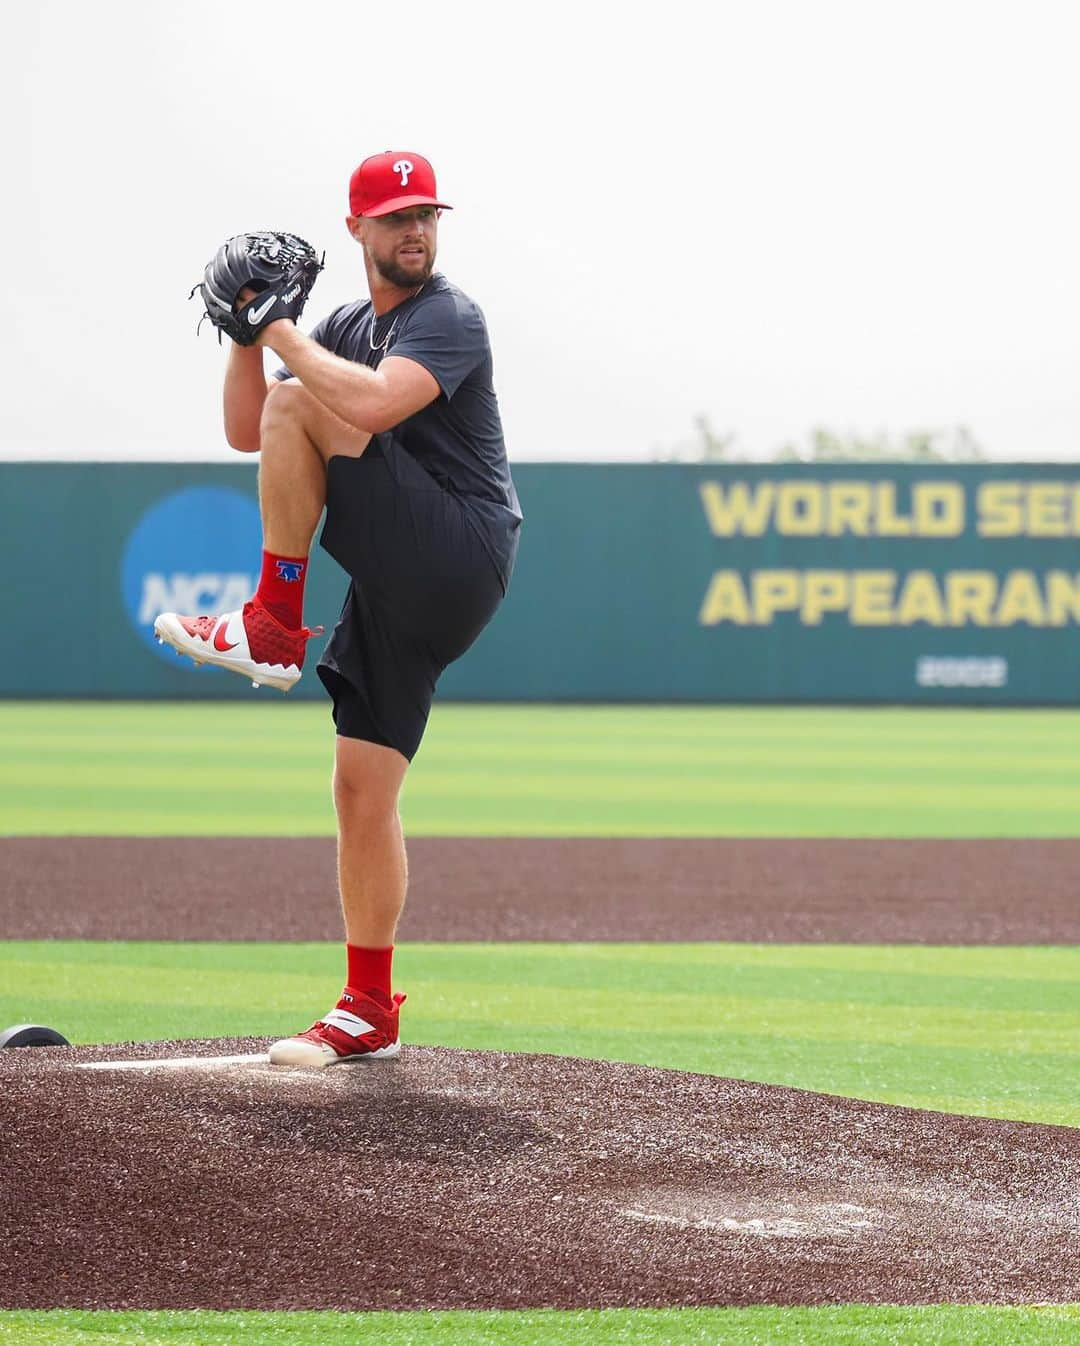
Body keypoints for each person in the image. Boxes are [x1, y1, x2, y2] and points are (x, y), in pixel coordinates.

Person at [155, 151, 521, 1067]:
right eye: (396, 216)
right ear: (356, 229)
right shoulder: (347, 325)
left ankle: (273, 622)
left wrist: (279, 336)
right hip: (395, 583)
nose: (415, 230)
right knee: (362, 789)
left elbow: (371, 403)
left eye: (427, 214)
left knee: (299, 402)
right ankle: (368, 1007)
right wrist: (247, 331)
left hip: (459, 550)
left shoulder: (449, 315)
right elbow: (250, 430)